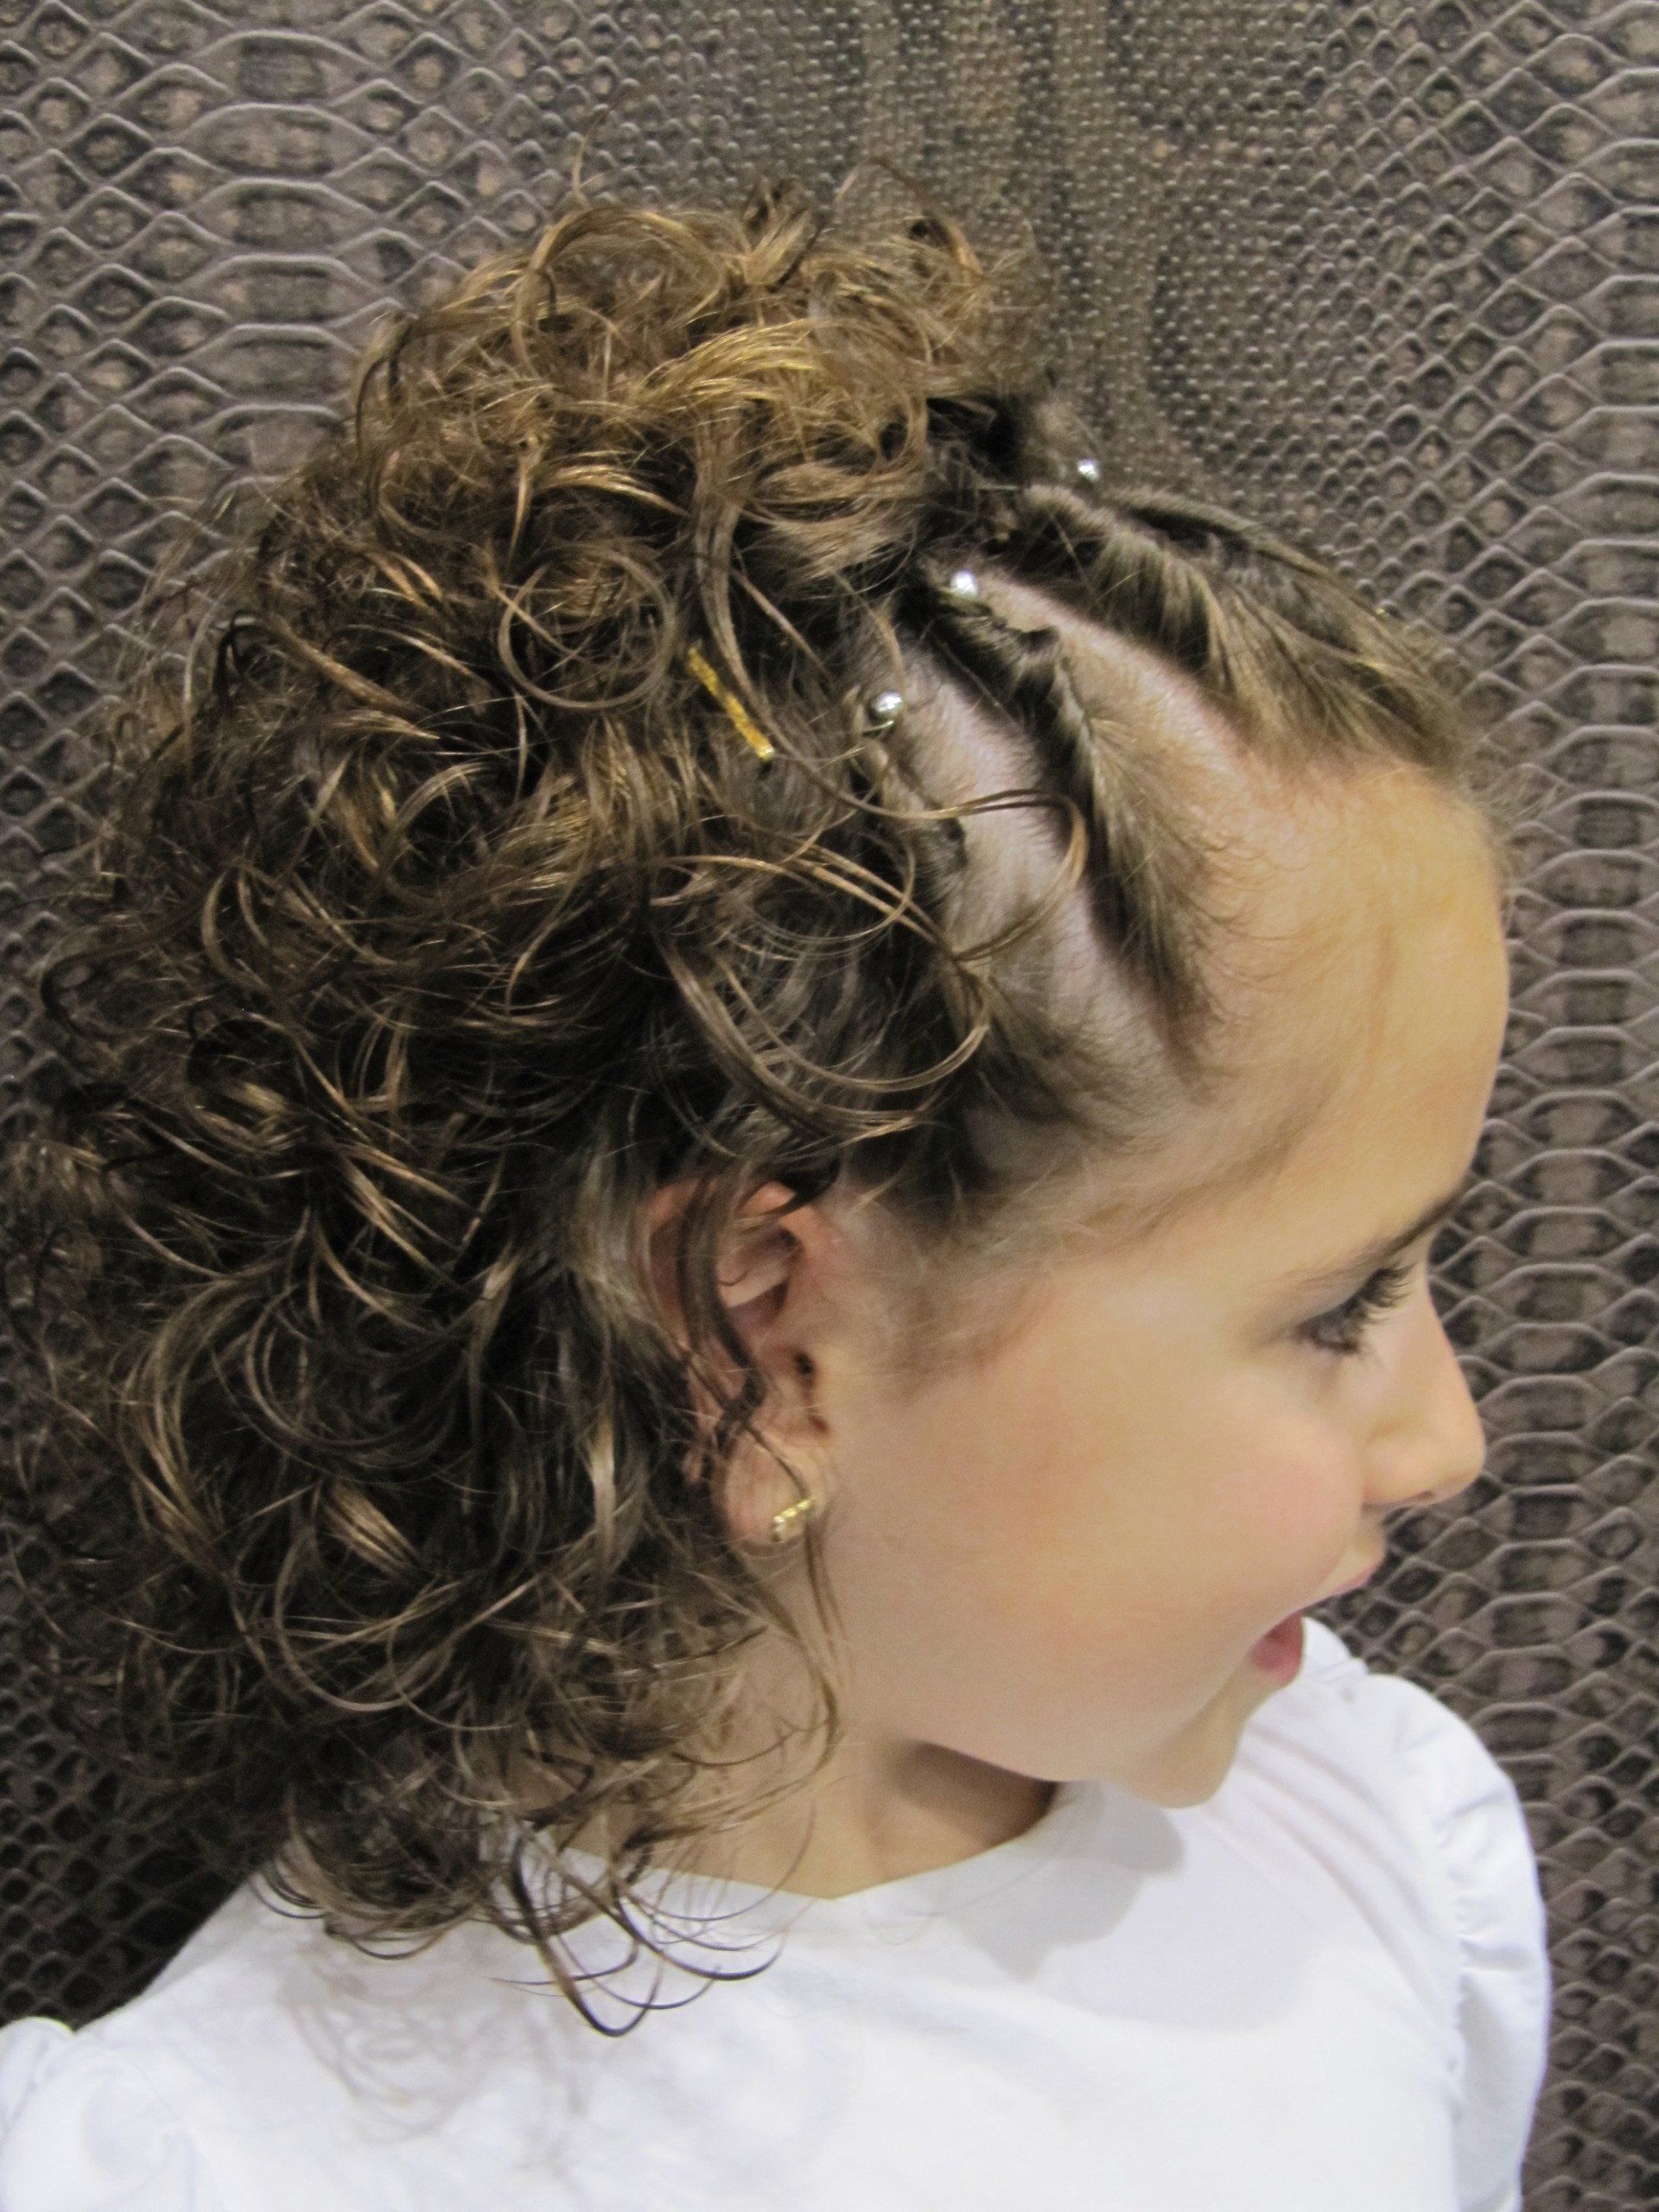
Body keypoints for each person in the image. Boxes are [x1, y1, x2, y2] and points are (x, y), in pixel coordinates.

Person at [0, 173, 1551, 2210]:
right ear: (764, 1336)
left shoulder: (1359, 1842)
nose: (1452, 1439)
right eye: (1338, 1303)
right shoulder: (247, 2164)